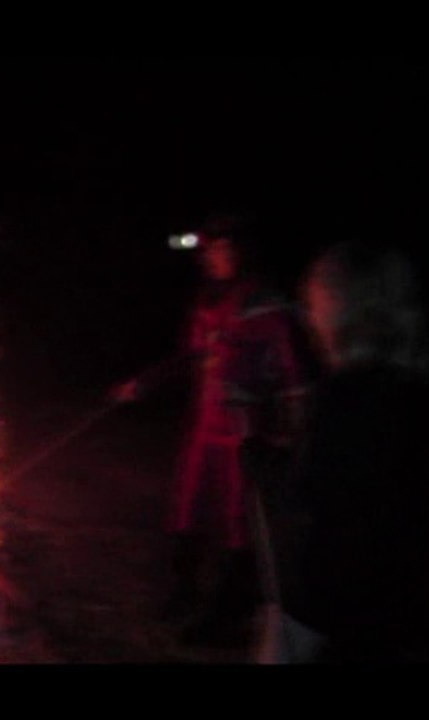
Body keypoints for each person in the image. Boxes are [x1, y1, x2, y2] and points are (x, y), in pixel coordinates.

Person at [113, 215, 308, 644]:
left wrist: (291, 428)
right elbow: (189, 357)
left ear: (241, 251)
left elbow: (293, 371)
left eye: (222, 249)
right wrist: (143, 383)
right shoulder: (207, 301)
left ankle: (229, 612)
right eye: (209, 250)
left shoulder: (266, 302)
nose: (213, 257)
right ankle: (185, 593)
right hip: (204, 427)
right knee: (187, 510)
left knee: (242, 523)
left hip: (245, 430)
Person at [259, 241, 429, 662]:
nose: (307, 316)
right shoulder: (414, 390)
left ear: (344, 308)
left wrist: (267, 466)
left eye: (314, 303)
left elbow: (308, 497)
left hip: (321, 596)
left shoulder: (347, 395)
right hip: (389, 594)